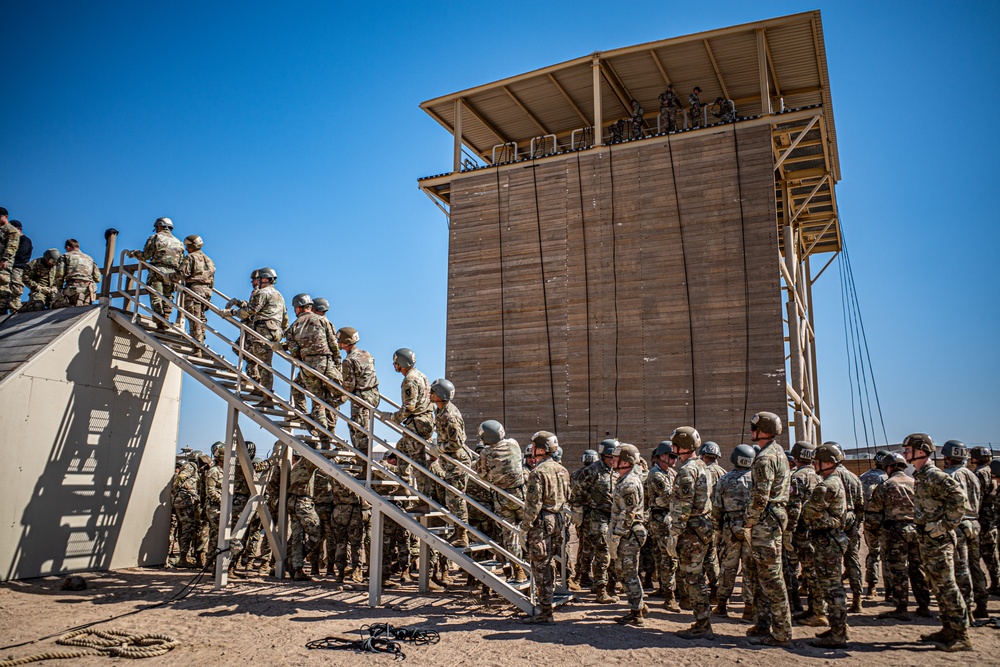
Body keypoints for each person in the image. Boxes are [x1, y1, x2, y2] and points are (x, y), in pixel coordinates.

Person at [903, 432, 972, 652]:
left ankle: (962, 635)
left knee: (948, 586)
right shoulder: (921, 475)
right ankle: (947, 628)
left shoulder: (934, 475)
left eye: (908, 450)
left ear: (920, 451)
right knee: (936, 585)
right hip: (927, 539)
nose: (904, 453)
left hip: (939, 540)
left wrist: (943, 525)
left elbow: (960, 499)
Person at [743, 411, 792, 647]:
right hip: (773, 519)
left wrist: (749, 522)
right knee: (763, 576)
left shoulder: (764, 459)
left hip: (766, 522)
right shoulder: (778, 452)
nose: (751, 432)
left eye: (754, 428)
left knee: (772, 578)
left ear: (763, 431)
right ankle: (763, 623)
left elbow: (761, 497)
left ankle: (782, 633)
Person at [868, 452, 931, 620]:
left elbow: (874, 511)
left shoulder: (886, 485)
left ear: (889, 468)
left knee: (898, 570)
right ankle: (924, 605)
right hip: (916, 531)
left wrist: (875, 528)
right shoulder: (915, 483)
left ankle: (901, 607)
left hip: (896, 532)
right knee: (918, 568)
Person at [668, 426, 714, 640]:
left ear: (682, 446)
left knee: (693, 578)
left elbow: (683, 506)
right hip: (702, 528)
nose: (672, 447)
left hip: (691, 532)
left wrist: (674, 533)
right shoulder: (702, 466)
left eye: (675, 444)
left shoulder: (687, 470)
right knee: (697, 576)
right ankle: (702, 620)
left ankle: (703, 624)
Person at [802, 442, 849, 648]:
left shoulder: (826, 486)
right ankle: (837, 628)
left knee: (832, 589)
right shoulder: (835, 481)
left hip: (827, 540)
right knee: (832, 586)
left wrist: (807, 510)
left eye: (817, 461)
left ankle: (838, 634)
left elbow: (808, 512)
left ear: (826, 463)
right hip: (831, 539)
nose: (814, 464)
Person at [521, 430, 571, 624]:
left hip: (541, 524)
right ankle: (547, 605)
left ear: (541, 449)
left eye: (534, 446)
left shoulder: (538, 472)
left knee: (540, 567)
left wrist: (525, 528)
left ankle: (545, 612)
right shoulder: (562, 470)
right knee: (549, 563)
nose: (532, 450)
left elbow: (533, 504)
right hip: (557, 521)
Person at [941, 440, 987, 618]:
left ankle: (966, 606)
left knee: (961, 567)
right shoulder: (973, 475)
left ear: (947, 457)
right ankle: (981, 602)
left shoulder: (949, 476)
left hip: (959, 524)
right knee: (975, 564)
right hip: (974, 523)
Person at [477, 420, 527, 582]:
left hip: (502, 498)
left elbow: (482, 475)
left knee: (510, 535)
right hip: (520, 494)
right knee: (529, 531)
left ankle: (518, 569)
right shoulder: (514, 444)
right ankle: (533, 565)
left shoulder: (486, 453)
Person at [570, 438, 620, 603]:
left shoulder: (616, 471)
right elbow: (577, 492)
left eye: (615, 457)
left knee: (614, 550)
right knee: (602, 551)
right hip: (596, 516)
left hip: (612, 516)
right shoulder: (592, 471)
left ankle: (609, 585)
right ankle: (600, 590)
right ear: (603, 455)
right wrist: (577, 511)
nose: (613, 460)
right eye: (610, 457)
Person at [284, 293, 339, 440]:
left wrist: (299, 358)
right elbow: (333, 343)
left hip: (307, 365)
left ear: (299, 307)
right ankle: (328, 432)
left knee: (316, 399)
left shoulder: (294, 326)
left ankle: (316, 427)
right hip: (325, 363)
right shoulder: (322, 320)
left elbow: (294, 349)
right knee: (328, 397)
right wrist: (337, 362)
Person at [227, 267, 287, 401]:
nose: (257, 281)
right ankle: (259, 388)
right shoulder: (279, 295)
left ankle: (266, 395)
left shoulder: (262, 293)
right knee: (259, 360)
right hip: (273, 331)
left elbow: (249, 311)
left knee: (263, 364)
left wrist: (231, 313)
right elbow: (285, 317)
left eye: (259, 279)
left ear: (265, 279)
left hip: (263, 331)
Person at [712, 444, 755, 618]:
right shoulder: (757, 479)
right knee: (749, 568)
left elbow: (717, 508)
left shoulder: (724, 479)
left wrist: (718, 531)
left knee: (728, 567)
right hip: (750, 528)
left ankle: (722, 605)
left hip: (730, 527)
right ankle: (749, 608)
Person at [429, 378, 471, 547]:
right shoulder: (440, 410)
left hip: (457, 460)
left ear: (441, 395)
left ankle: (462, 534)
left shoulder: (450, 415)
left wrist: (439, 448)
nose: (430, 394)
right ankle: (458, 531)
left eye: (433, 392)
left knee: (456, 498)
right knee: (451, 497)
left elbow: (457, 442)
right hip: (450, 461)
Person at [609, 443, 648, 625]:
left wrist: (617, 536)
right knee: (623, 571)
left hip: (628, 534)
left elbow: (628, 514)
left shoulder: (629, 484)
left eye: (616, 458)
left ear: (626, 462)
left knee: (628, 572)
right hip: (627, 533)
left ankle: (636, 612)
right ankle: (639, 604)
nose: (612, 460)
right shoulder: (624, 480)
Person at [786, 441, 824, 626]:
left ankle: (808, 609)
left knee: (793, 568)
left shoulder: (796, 477)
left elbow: (794, 508)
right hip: (817, 531)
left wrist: (788, 532)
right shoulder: (819, 476)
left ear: (795, 457)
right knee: (813, 571)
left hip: (800, 532)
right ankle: (815, 609)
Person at [826, 445, 865, 612]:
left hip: (834, 521)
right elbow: (860, 504)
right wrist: (857, 522)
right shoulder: (854, 477)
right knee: (853, 559)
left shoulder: (828, 477)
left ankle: (836, 599)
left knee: (832, 562)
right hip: (851, 520)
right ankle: (857, 599)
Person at [127, 217, 184, 329]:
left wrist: (134, 253)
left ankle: (159, 320)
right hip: (172, 273)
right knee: (168, 296)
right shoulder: (179, 242)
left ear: (159, 226)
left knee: (156, 295)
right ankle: (166, 317)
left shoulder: (155, 238)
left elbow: (146, 256)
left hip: (157, 271)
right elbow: (182, 261)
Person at [645, 441, 680, 610]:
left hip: (666, 516)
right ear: (663, 456)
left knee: (663, 556)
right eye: (672, 456)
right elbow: (669, 497)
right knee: (667, 557)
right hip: (661, 519)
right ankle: (669, 596)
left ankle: (664, 588)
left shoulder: (670, 473)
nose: (675, 460)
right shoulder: (656, 475)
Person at [338, 327, 380, 460]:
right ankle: (364, 464)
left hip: (360, 399)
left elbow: (349, 386)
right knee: (360, 428)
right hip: (373, 395)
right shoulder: (367, 354)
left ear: (345, 342)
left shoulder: (348, 361)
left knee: (359, 433)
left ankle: (364, 467)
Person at [859, 451, 890, 599]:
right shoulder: (887, 479)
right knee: (887, 554)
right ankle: (889, 589)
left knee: (873, 552)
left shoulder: (863, 477)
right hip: (885, 519)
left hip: (868, 518)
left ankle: (871, 587)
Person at [970, 446, 1000, 594]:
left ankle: (980, 587)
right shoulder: (992, 471)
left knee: (977, 554)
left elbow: (977, 497)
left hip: (982, 517)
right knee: (991, 551)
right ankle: (996, 582)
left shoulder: (978, 474)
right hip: (992, 516)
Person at [287, 452, 322, 581]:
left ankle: (296, 567)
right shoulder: (306, 463)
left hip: (293, 502)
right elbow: (322, 456)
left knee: (297, 537)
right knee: (317, 534)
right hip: (303, 503)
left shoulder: (295, 466)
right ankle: (296, 559)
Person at [177, 234, 215, 349]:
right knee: (201, 318)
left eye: (187, 246)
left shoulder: (190, 257)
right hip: (207, 292)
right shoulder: (208, 260)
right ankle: (201, 341)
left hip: (195, 291)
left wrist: (169, 277)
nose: (186, 248)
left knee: (194, 319)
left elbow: (182, 274)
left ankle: (197, 346)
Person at [700, 441, 725, 601]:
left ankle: (709, 588)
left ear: (703, 455)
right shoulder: (724, 472)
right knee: (719, 556)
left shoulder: (703, 471)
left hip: (706, 519)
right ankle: (718, 588)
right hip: (722, 520)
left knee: (706, 556)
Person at [171, 450, 204, 568]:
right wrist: (181, 491)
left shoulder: (190, 467)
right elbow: (180, 477)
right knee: (187, 528)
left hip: (183, 500)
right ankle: (183, 558)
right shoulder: (191, 466)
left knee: (183, 528)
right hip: (185, 501)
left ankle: (184, 557)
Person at [52, 239, 101, 308]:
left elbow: (60, 275)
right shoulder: (90, 258)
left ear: (68, 247)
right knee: (85, 312)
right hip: (89, 289)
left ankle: (76, 297)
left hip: (73, 287)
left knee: (56, 305)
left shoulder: (65, 256)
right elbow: (97, 278)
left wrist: (59, 289)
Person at [1, 220, 32, 313]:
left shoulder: (25, 240)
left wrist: (6, 257)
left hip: (18, 269)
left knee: (15, 293)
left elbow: (18, 253)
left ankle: (15, 313)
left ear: (19, 229)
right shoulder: (8, 240)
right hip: (7, 269)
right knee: (4, 292)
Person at [0, 208, 20, 307]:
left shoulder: (11, 230)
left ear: (6, 217)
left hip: (3, 264)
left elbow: (12, 246)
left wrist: (5, 259)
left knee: (2, 288)